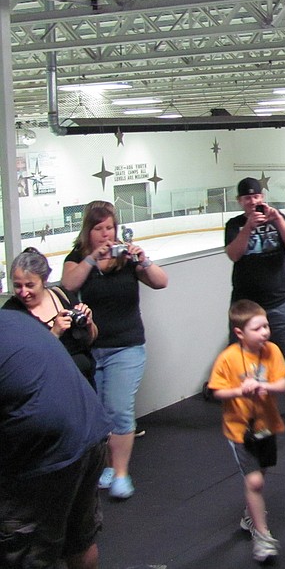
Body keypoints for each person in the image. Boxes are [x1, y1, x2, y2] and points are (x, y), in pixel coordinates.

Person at [61, 200, 168, 500]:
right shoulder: (78, 258)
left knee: (120, 410)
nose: (106, 234)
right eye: (99, 229)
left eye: (110, 227)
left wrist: (143, 260)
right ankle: (108, 466)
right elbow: (69, 283)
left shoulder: (126, 259)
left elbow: (161, 282)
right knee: (99, 413)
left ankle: (121, 472)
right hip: (92, 348)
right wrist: (93, 259)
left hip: (127, 345)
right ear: (88, 231)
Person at [0, 309, 112, 569]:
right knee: (79, 540)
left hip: (49, 448)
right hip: (90, 429)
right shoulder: (15, 319)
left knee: (29, 551)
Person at [224, 177, 285, 421]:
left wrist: (277, 220)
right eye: (247, 198)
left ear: (262, 197)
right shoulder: (234, 225)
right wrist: (248, 228)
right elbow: (234, 254)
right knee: (245, 354)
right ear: (240, 201)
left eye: (256, 197)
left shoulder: (278, 218)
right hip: (246, 304)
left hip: (278, 299)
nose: (253, 202)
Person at [207, 300, 285, 563]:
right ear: (240, 332)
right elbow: (216, 391)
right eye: (257, 328)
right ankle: (262, 536)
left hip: (266, 425)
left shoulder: (272, 351)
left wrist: (265, 386)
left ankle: (249, 514)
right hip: (240, 429)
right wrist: (239, 390)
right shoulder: (228, 358)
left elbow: (283, 384)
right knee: (255, 481)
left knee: (261, 473)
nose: (265, 332)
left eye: (266, 326)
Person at [4, 247, 97, 385]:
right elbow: (21, 361)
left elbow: (91, 339)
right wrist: (54, 333)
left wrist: (88, 324)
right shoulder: (11, 314)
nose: (24, 292)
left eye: (30, 285)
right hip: (49, 386)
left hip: (84, 381)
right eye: (18, 286)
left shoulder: (62, 295)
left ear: (44, 280)